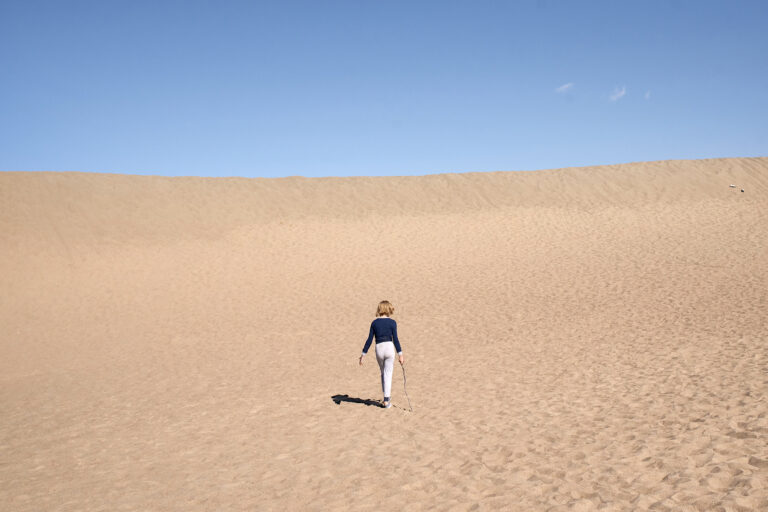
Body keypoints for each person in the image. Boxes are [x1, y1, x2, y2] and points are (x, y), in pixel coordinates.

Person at [359, 300, 404, 408]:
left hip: (379, 348)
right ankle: (386, 400)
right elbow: (396, 340)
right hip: (389, 347)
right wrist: (400, 354)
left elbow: (369, 339)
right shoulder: (392, 323)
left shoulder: (374, 323)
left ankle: (386, 397)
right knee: (388, 374)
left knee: (383, 373)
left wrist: (363, 354)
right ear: (388, 309)